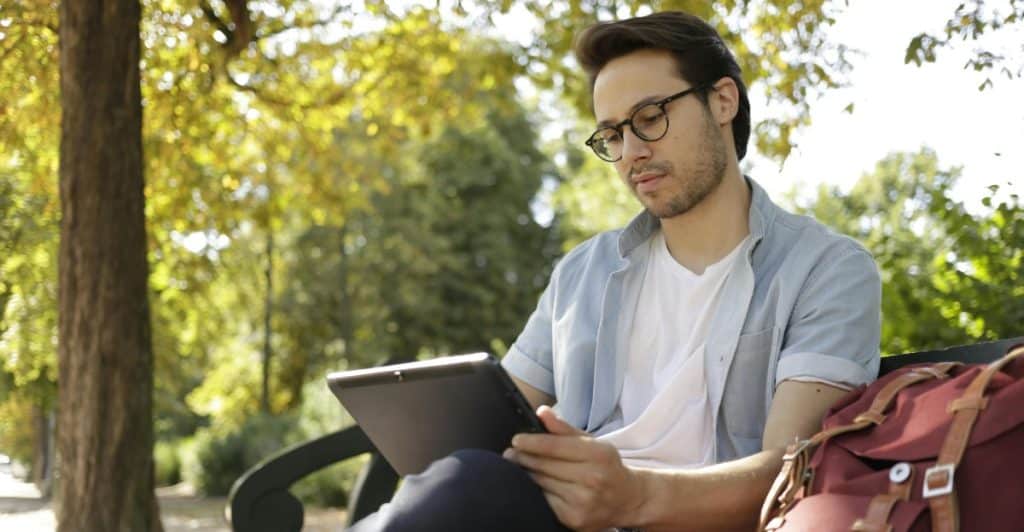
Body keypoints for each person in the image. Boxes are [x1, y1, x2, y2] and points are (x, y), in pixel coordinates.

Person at [350, 10, 880, 532]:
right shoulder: (584, 272)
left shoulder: (827, 270)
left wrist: (635, 497)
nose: (631, 153)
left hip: (687, 520)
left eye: (649, 118)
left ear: (723, 101)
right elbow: (493, 422)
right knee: (466, 477)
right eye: (612, 135)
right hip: (551, 517)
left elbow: (790, 473)